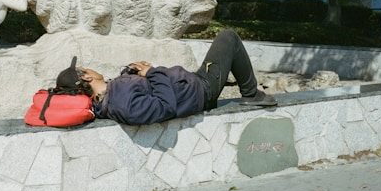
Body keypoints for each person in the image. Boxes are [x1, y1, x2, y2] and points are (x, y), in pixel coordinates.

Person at [55, 29, 277, 125]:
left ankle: (245, 87)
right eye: (86, 69)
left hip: (191, 82)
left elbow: (138, 92)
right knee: (228, 38)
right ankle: (250, 93)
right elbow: (165, 107)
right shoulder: (120, 103)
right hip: (201, 90)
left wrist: (132, 72)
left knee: (222, 50)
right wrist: (153, 72)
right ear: (86, 77)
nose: (92, 69)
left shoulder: (111, 94)